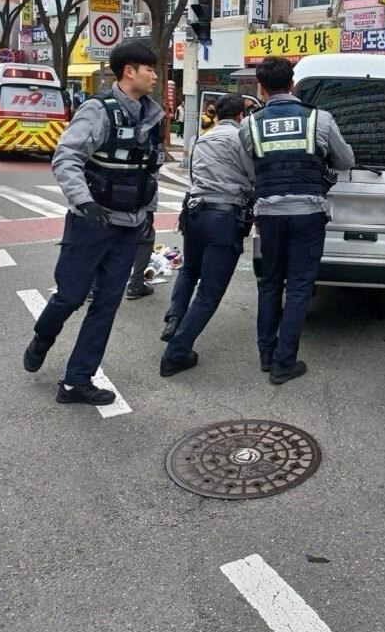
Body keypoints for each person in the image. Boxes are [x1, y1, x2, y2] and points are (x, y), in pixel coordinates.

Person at [22, 42, 163, 406]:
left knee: (106, 303)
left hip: (128, 227)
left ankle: (76, 381)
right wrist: (84, 201)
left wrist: (148, 214)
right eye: (149, 69)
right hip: (91, 223)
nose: (155, 75)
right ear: (129, 71)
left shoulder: (151, 116)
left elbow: (149, 171)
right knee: (70, 295)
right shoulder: (98, 111)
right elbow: (66, 157)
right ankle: (43, 337)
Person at [239, 56, 354, 384]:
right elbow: (346, 160)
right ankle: (284, 362)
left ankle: (266, 354)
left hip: (269, 215)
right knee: (300, 286)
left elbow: (251, 172)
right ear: (292, 84)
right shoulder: (320, 119)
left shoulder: (249, 124)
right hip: (307, 213)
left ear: (261, 88)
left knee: (270, 283)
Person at [159, 94, 255, 376]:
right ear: (240, 116)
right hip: (223, 217)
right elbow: (253, 176)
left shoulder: (202, 139)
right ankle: (176, 353)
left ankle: (175, 318)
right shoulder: (241, 140)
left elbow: (192, 176)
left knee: (189, 269)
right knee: (210, 292)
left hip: (194, 211)